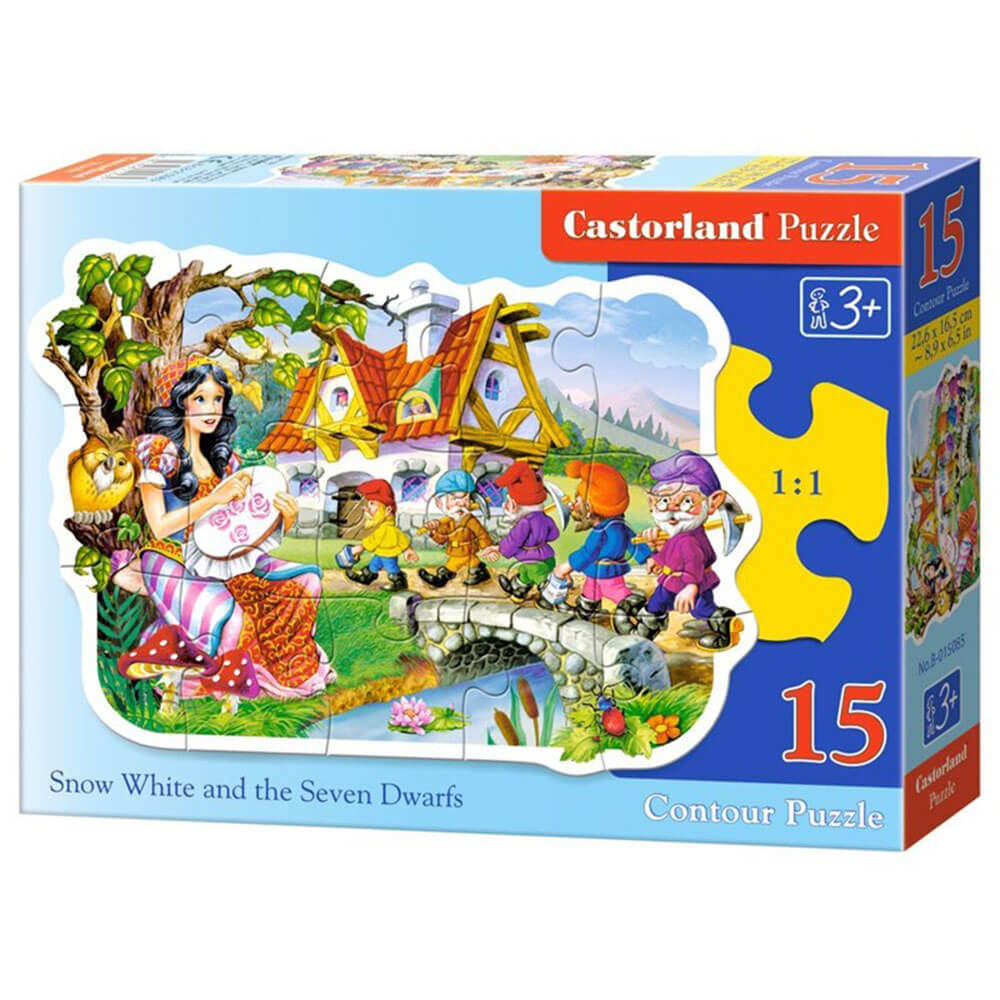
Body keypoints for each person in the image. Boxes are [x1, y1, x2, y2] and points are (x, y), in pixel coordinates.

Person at [119, 362, 332, 704]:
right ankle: (218, 685)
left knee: (307, 582)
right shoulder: (159, 453)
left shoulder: (224, 461)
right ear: (180, 401)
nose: (212, 409)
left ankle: (284, 669)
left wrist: (285, 520)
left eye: (218, 399)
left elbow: (242, 528)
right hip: (173, 557)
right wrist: (214, 499)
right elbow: (159, 526)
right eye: (200, 399)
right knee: (231, 618)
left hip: (225, 557)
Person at [629, 451, 738, 649]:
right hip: (674, 581)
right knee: (663, 604)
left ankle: (726, 626)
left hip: (688, 582)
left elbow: (693, 562)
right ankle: (648, 630)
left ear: (712, 502)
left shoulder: (688, 540)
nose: (673, 510)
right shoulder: (680, 534)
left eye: (687, 501)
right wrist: (656, 553)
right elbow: (671, 555)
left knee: (696, 608)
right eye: (664, 501)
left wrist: (691, 586)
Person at [542, 460, 645, 620]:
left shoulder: (600, 532)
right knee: (591, 590)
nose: (573, 505)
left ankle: (637, 610)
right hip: (598, 571)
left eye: (578, 500)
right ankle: (586, 611)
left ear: (589, 509)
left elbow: (587, 553)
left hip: (606, 573)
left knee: (615, 591)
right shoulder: (619, 524)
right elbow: (634, 542)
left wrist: (565, 567)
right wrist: (648, 558)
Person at [491, 460, 559, 601]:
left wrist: (499, 549)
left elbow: (513, 541)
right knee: (525, 573)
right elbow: (554, 535)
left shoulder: (524, 522)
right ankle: (518, 590)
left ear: (516, 503)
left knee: (538, 576)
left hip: (532, 558)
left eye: (509, 502)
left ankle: (550, 599)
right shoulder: (545, 518)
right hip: (547, 555)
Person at [418, 470, 497, 588]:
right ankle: (481, 573)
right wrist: (432, 532)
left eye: (465, 500)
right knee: (473, 563)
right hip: (456, 550)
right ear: (440, 503)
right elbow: (442, 539)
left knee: (451, 566)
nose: (460, 504)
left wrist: (487, 548)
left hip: (465, 551)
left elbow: (482, 535)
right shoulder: (447, 521)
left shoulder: (470, 520)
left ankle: (440, 580)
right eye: (454, 499)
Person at [343, 479, 418, 592]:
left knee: (392, 569)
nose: (368, 508)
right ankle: (366, 578)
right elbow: (401, 538)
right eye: (368, 503)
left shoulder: (385, 529)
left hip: (388, 555)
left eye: (372, 504)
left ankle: (400, 582)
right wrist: (408, 549)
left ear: (388, 510)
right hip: (380, 553)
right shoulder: (381, 526)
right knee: (373, 566)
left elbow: (373, 541)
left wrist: (360, 548)